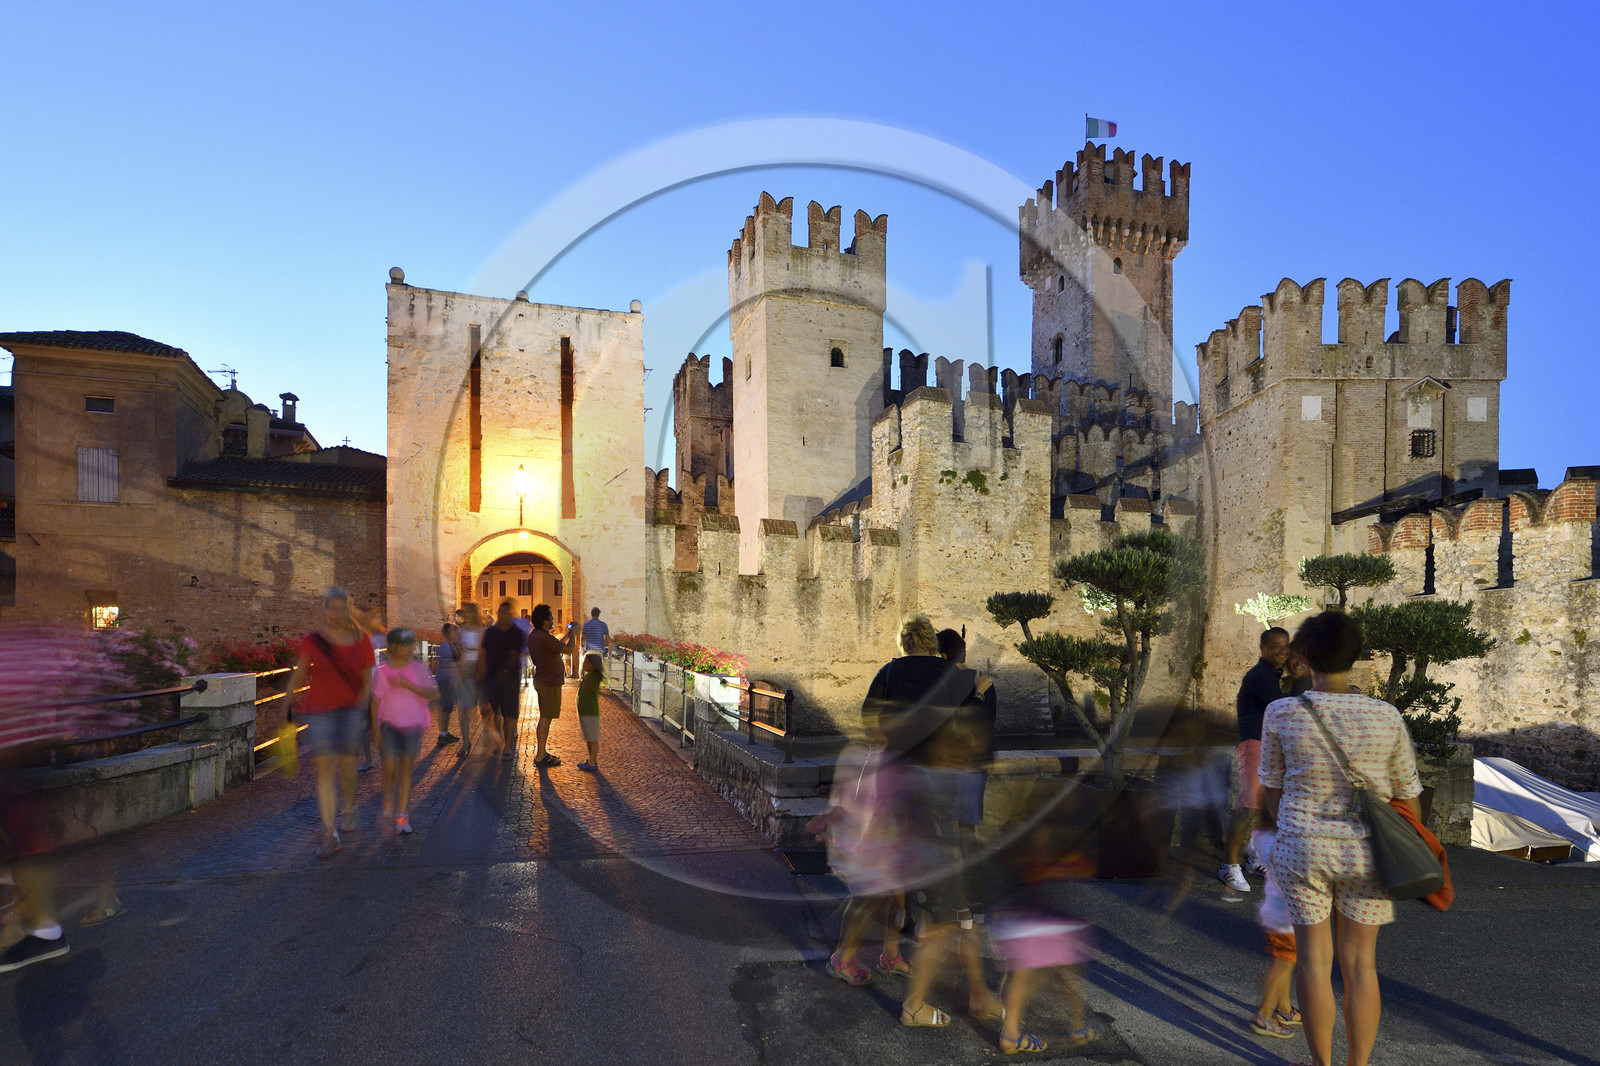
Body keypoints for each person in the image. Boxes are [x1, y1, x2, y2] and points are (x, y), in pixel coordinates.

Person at [1260, 611, 1422, 1066]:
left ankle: (1321, 1064)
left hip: (1303, 846)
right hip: (1367, 850)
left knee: (1313, 962)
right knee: (1360, 965)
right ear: (1355, 656)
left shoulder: (1283, 712)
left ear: (1305, 656)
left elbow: (1270, 785)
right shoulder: (1385, 715)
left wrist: (1293, 823)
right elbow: (1409, 792)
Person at [935, 628, 1003, 1022]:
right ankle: (968, 906)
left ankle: (961, 905)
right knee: (965, 835)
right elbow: (984, 723)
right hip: (971, 769)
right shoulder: (981, 682)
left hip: (956, 770)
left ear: (942, 654)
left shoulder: (948, 683)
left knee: (957, 837)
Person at [287, 587, 375, 859]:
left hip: (350, 710)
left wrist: (361, 706)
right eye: (333, 609)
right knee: (324, 771)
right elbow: (301, 673)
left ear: (348, 610)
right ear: (324, 610)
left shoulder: (362, 639)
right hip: (320, 711)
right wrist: (285, 704)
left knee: (348, 767)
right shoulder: (313, 640)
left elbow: (368, 679)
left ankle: (349, 808)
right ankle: (329, 832)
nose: (337, 614)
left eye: (342, 609)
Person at [1223, 626, 1292, 893]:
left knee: (1266, 807)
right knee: (1249, 805)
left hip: (1268, 746)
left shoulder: (1272, 675)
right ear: (1263, 649)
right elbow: (1283, 709)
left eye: (1286, 645)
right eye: (1276, 646)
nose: (1282, 651)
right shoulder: (1261, 676)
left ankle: (1253, 858)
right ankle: (1229, 867)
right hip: (1254, 743)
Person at [372, 627, 438, 834]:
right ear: (393, 647)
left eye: (411, 644)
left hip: (412, 725)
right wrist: (375, 729)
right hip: (389, 725)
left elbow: (432, 693)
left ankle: (402, 815)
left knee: (407, 769)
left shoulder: (419, 669)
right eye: (404, 644)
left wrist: (407, 685)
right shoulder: (382, 671)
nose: (409, 648)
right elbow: (374, 702)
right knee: (390, 766)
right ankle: (389, 798)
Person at [1248, 810, 1301, 1039]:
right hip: (1287, 916)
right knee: (1283, 964)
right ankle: (1265, 1014)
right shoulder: (1284, 843)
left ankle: (1285, 1009)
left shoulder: (1262, 834)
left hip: (1275, 912)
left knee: (1285, 962)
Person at [476, 601, 527, 758]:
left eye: (504, 612)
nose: (501, 615)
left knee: (510, 715)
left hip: (509, 680)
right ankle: (498, 740)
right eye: (499, 612)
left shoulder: (516, 633)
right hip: (491, 677)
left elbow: (514, 655)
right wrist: (479, 671)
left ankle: (508, 747)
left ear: (510, 614)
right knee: (492, 712)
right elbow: (483, 653)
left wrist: (504, 672)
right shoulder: (490, 632)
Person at [526, 604, 575, 766]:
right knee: (545, 718)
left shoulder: (536, 636)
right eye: (551, 617)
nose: (553, 619)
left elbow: (557, 646)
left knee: (545, 717)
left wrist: (567, 635)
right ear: (545, 620)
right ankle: (540, 755)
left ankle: (542, 752)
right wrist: (574, 635)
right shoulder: (543, 637)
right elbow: (567, 650)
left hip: (544, 681)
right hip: (548, 682)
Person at [456, 605, 483, 757]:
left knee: (485, 707)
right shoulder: (462, 630)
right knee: (463, 708)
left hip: (478, 669)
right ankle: (466, 741)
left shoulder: (482, 630)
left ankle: (490, 739)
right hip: (465, 669)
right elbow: (459, 650)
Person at [433, 622, 463, 749]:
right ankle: (443, 734)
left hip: (447, 680)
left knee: (447, 707)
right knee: (445, 707)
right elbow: (450, 664)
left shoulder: (449, 646)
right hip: (446, 680)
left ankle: (444, 732)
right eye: (456, 633)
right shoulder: (447, 647)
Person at [576, 652, 604, 771]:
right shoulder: (587, 675)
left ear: (594, 664)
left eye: (588, 662)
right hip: (584, 711)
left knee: (592, 738)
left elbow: (593, 688)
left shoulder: (596, 676)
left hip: (591, 712)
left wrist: (587, 681)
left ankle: (593, 762)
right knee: (588, 737)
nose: (585, 664)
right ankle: (591, 760)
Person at [582, 607, 610, 678]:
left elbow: (583, 637)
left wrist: (583, 647)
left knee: (587, 667)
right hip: (599, 650)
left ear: (591, 614)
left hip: (589, 649)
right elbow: (607, 638)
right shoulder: (603, 625)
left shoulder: (586, 625)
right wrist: (605, 644)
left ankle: (584, 679)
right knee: (600, 668)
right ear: (598, 614)